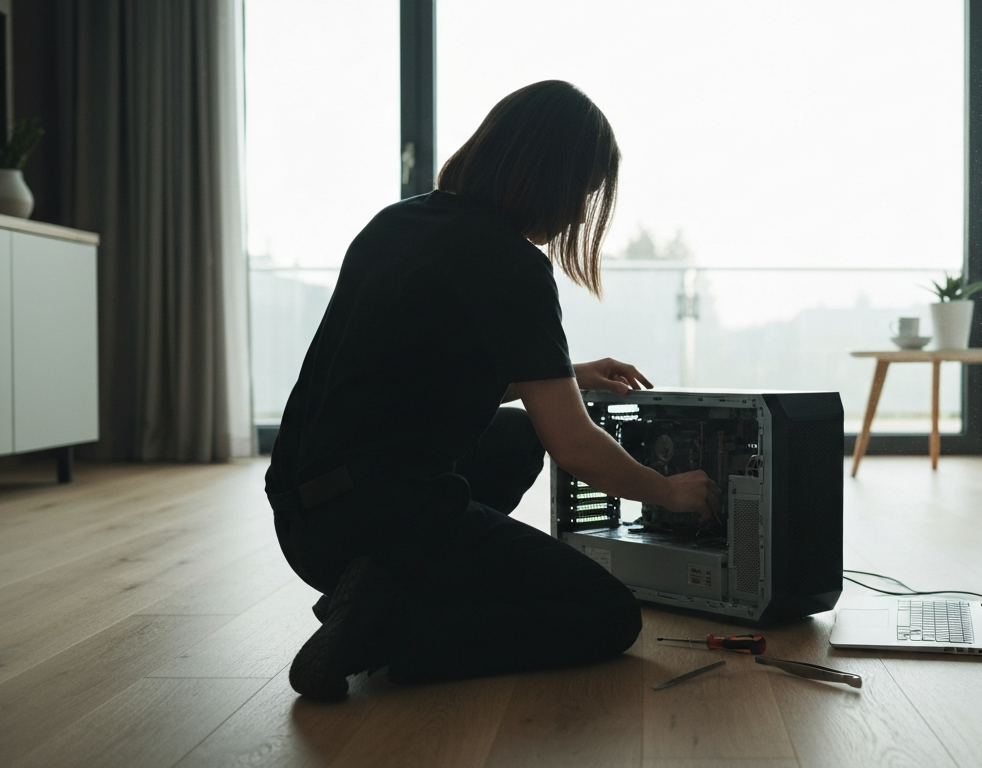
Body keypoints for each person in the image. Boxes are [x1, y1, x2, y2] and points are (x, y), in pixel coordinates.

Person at [265, 80, 721, 702]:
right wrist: (667, 489)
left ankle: (383, 587)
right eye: (583, 195)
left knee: (515, 432)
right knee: (607, 617)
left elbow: (413, 379)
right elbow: (575, 445)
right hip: (375, 519)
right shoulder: (510, 261)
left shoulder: (397, 222)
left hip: (303, 520)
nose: (582, 215)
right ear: (551, 179)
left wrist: (564, 374)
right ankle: (383, 627)